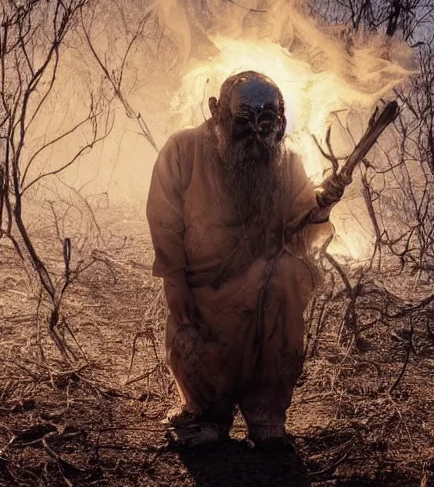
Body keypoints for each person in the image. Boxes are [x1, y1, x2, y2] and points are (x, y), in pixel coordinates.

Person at [146, 71, 347, 448]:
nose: (256, 135)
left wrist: (323, 203)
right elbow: (163, 215)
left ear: (281, 123)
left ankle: (266, 413)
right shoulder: (183, 151)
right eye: (243, 122)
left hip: (262, 305)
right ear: (217, 114)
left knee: (289, 271)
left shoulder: (286, 165)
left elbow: (300, 230)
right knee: (204, 405)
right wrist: (173, 278)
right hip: (203, 302)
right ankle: (206, 412)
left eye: (266, 122)